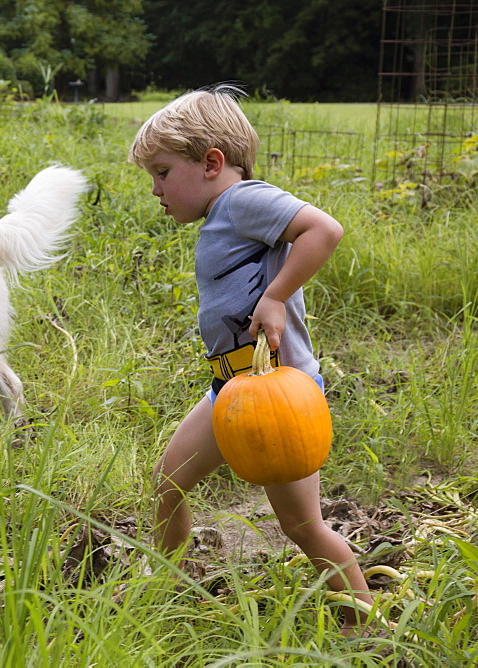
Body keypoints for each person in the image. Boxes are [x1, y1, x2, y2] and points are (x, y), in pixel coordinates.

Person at [127, 84, 374, 636]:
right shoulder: (224, 214)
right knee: (169, 483)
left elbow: (323, 230)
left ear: (212, 162)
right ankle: (167, 588)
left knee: (301, 524)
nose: (155, 190)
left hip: (279, 400)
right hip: (234, 390)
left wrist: (276, 295)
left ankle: (366, 624)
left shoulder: (241, 201)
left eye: (163, 173)